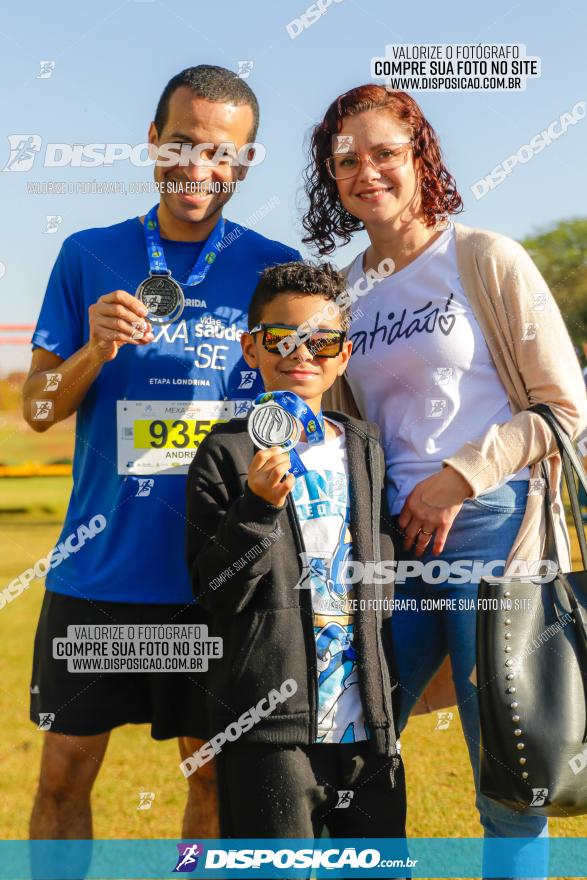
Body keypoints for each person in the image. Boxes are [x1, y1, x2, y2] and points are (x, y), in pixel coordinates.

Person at [302, 85, 587, 874]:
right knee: (350, 744)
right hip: (387, 543)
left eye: (386, 152)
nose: (368, 171)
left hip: (493, 530)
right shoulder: (342, 292)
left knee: (509, 766)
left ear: (419, 156)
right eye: (346, 160)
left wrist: (458, 477)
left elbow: (565, 407)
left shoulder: (483, 258)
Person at [22, 64, 300, 846]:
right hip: (102, 572)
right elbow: (39, 412)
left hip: (216, 577)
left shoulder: (272, 269)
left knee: (212, 776)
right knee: (62, 779)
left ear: (244, 163)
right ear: (152, 141)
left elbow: (309, 399)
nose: (198, 168)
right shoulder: (89, 254)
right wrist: (93, 352)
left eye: (222, 154)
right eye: (182, 144)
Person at [185, 261, 407, 842]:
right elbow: (217, 589)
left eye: (320, 340)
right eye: (280, 338)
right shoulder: (226, 454)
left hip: (368, 729)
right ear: (250, 348)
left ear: (344, 354)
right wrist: (256, 507)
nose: (299, 353)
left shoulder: (364, 447)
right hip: (270, 726)